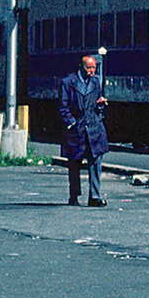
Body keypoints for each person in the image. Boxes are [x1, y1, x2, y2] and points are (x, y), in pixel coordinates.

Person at [58, 52, 108, 207]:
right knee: (74, 164)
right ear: (81, 66)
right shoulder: (67, 83)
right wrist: (71, 123)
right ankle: (74, 195)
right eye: (89, 67)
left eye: (94, 67)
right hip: (76, 130)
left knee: (96, 162)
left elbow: (96, 105)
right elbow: (62, 105)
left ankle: (95, 196)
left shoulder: (95, 82)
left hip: (94, 129)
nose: (92, 71)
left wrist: (100, 104)